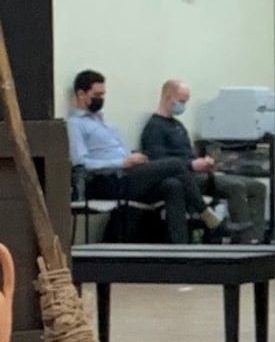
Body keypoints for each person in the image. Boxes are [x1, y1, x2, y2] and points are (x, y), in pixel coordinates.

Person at [66, 68, 221, 243]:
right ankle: (206, 214)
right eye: (97, 94)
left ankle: (180, 249)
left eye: (103, 94)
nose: (101, 99)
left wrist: (135, 158)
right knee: (176, 164)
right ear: (81, 94)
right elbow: (79, 163)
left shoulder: (106, 124)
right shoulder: (75, 125)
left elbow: (123, 153)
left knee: (173, 185)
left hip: (128, 175)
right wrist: (122, 162)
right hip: (108, 180)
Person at [141, 80, 269, 240]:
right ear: (168, 98)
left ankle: (257, 239)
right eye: (181, 101)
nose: (183, 106)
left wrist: (205, 163)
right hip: (185, 178)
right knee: (236, 187)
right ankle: (245, 242)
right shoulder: (154, 128)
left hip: (199, 174)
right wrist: (192, 165)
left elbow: (187, 155)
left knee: (257, 187)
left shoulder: (178, 125)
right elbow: (160, 163)